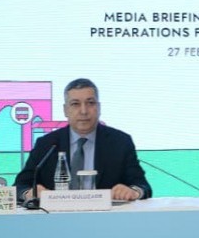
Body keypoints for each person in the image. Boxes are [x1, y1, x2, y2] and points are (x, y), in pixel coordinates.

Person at [14, 78, 152, 202]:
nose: (84, 111)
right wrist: (29, 193)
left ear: (98, 108)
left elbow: (142, 186)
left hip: (105, 218)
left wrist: (133, 192)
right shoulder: (47, 144)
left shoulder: (120, 142)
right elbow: (19, 186)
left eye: (90, 103)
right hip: (56, 218)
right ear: (65, 110)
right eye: (75, 104)